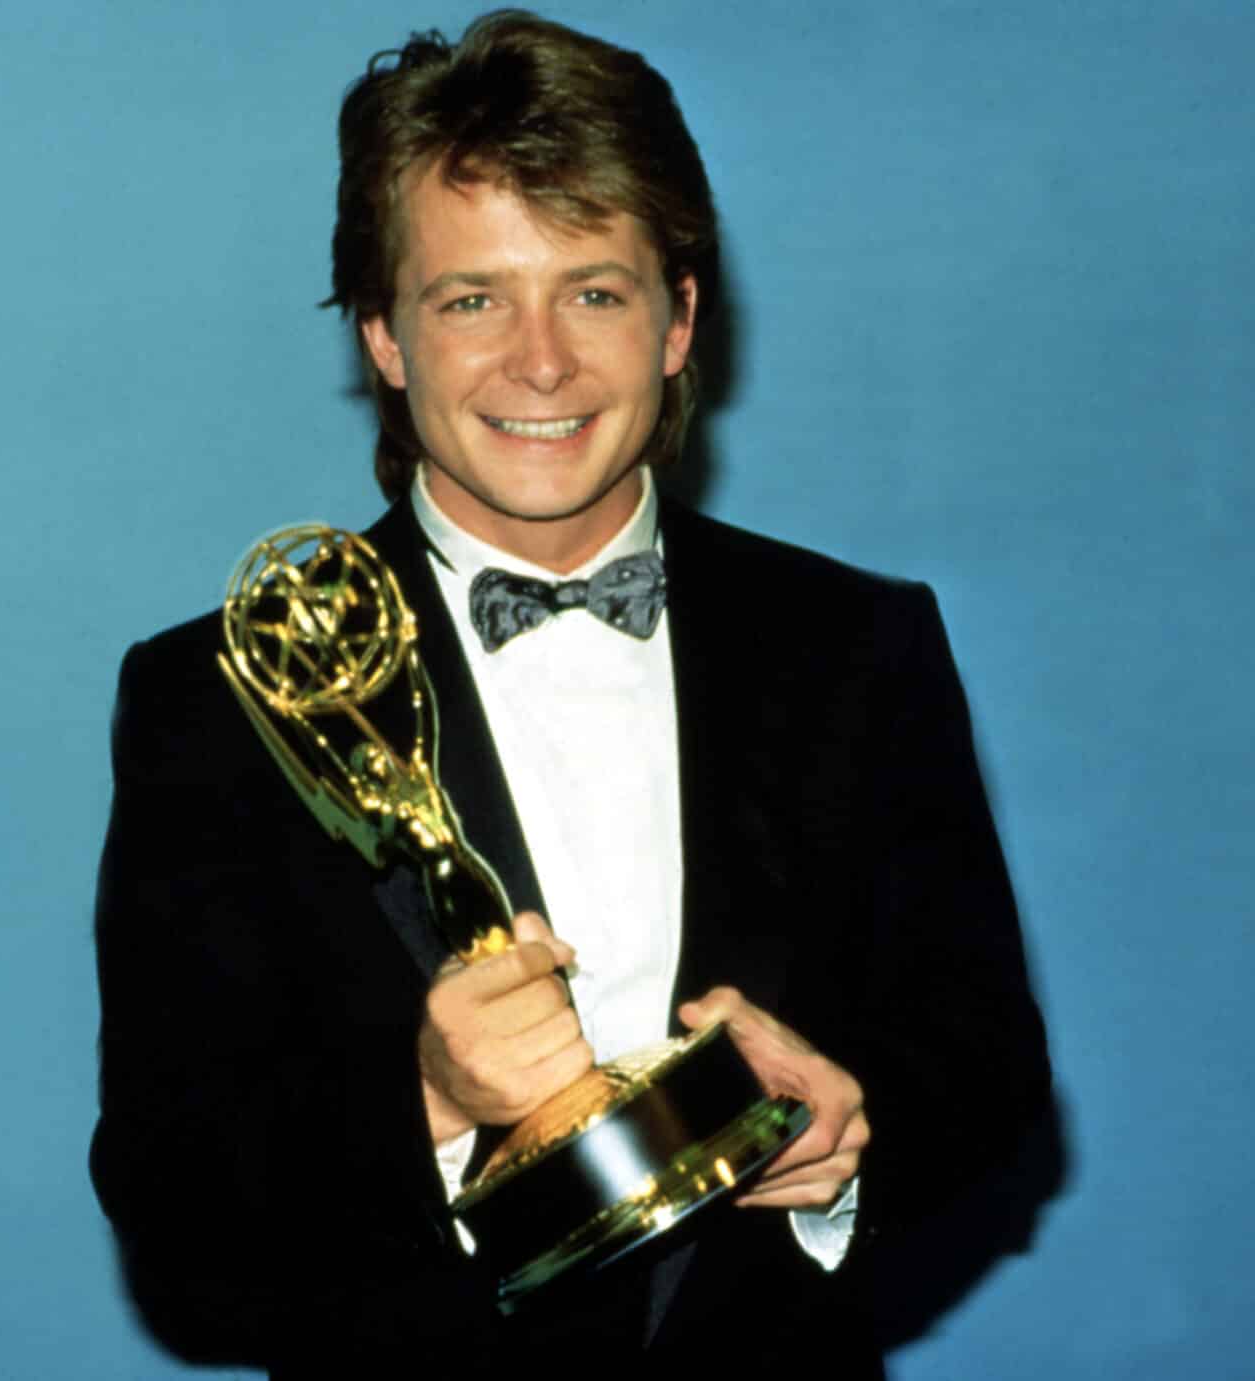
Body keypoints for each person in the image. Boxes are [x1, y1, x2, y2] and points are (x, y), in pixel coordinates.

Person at [90, 10, 1052, 1374]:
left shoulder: (857, 644)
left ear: (680, 320)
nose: (539, 361)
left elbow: (992, 1078)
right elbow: (172, 1195)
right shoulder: (216, 694)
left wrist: (846, 1140)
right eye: (471, 296)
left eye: (594, 290)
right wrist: (424, 1099)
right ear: (380, 332)